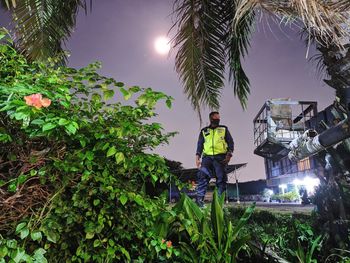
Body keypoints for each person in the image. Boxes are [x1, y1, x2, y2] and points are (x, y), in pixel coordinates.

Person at [195, 111, 234, 206]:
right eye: (216, 118)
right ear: (211, 119)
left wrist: (229, 155)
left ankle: (219, 204)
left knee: (221, 180)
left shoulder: (224, 129)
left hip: (220, 157)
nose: (218, 119)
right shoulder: (204, 131)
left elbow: (231, 143)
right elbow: (200, 145)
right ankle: (199, 203)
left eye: (219, 118)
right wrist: (197, 157)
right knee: (202, 178)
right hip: (207, 158)